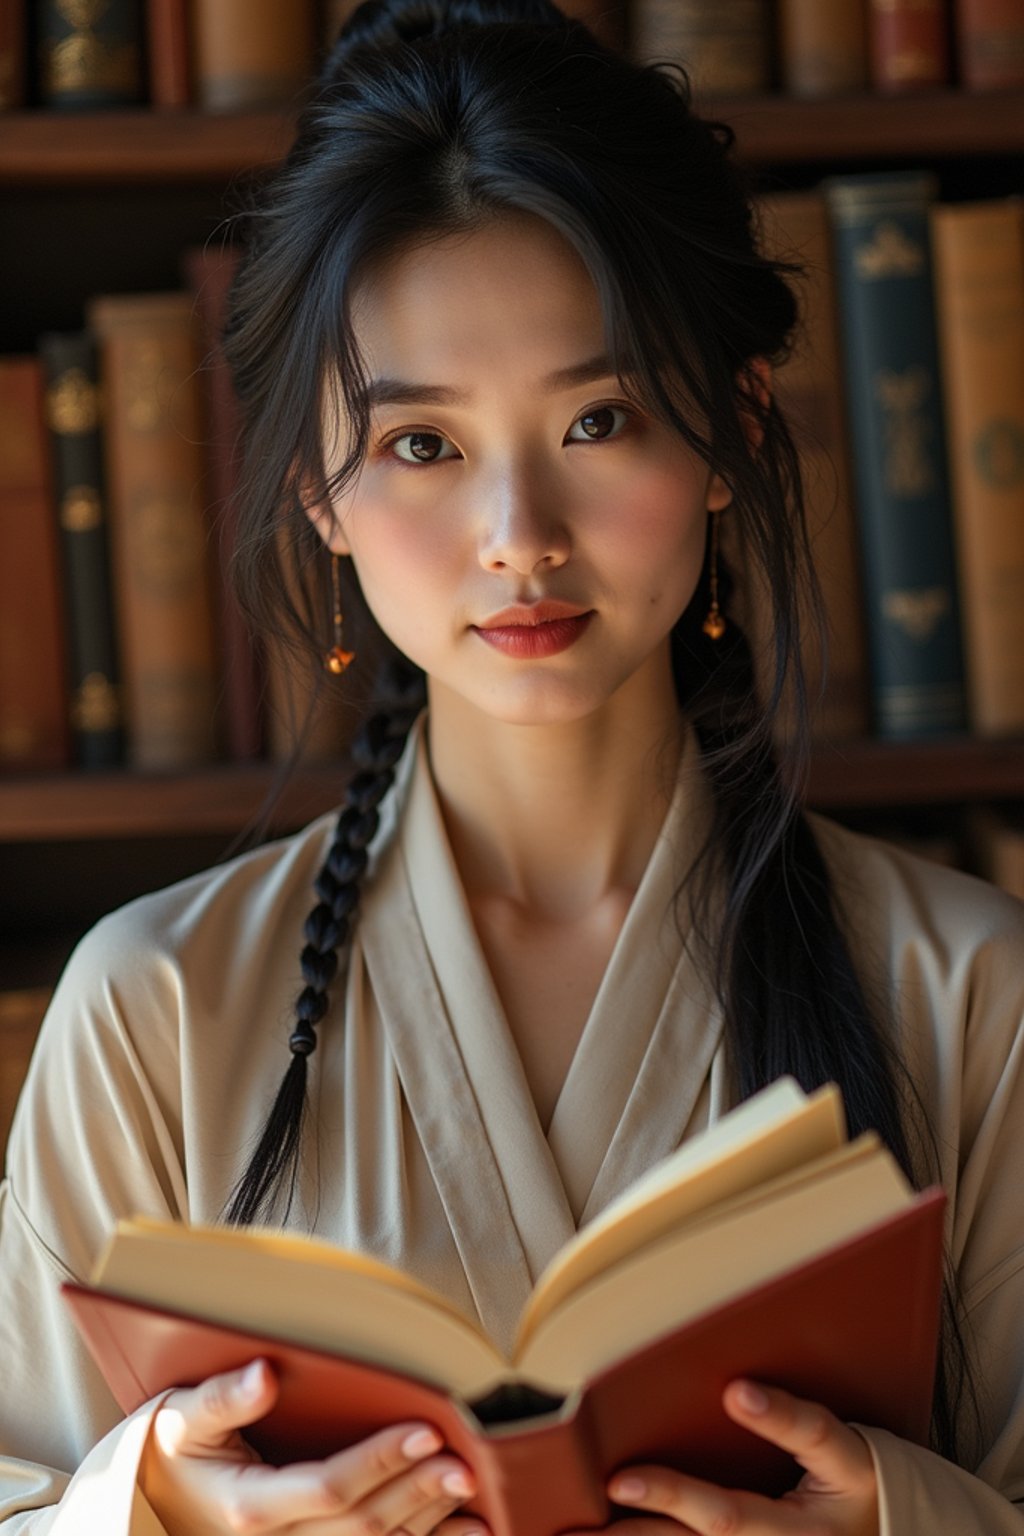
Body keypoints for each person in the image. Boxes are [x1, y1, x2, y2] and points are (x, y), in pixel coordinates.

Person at [2, 0, 1023, 1530]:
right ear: (318, 496)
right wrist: (158, 1503)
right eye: (423, 445)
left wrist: (898, 1517)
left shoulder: (968, 992)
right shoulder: (154, 1011)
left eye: (599, 418)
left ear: (733, 432)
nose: (518, 536)